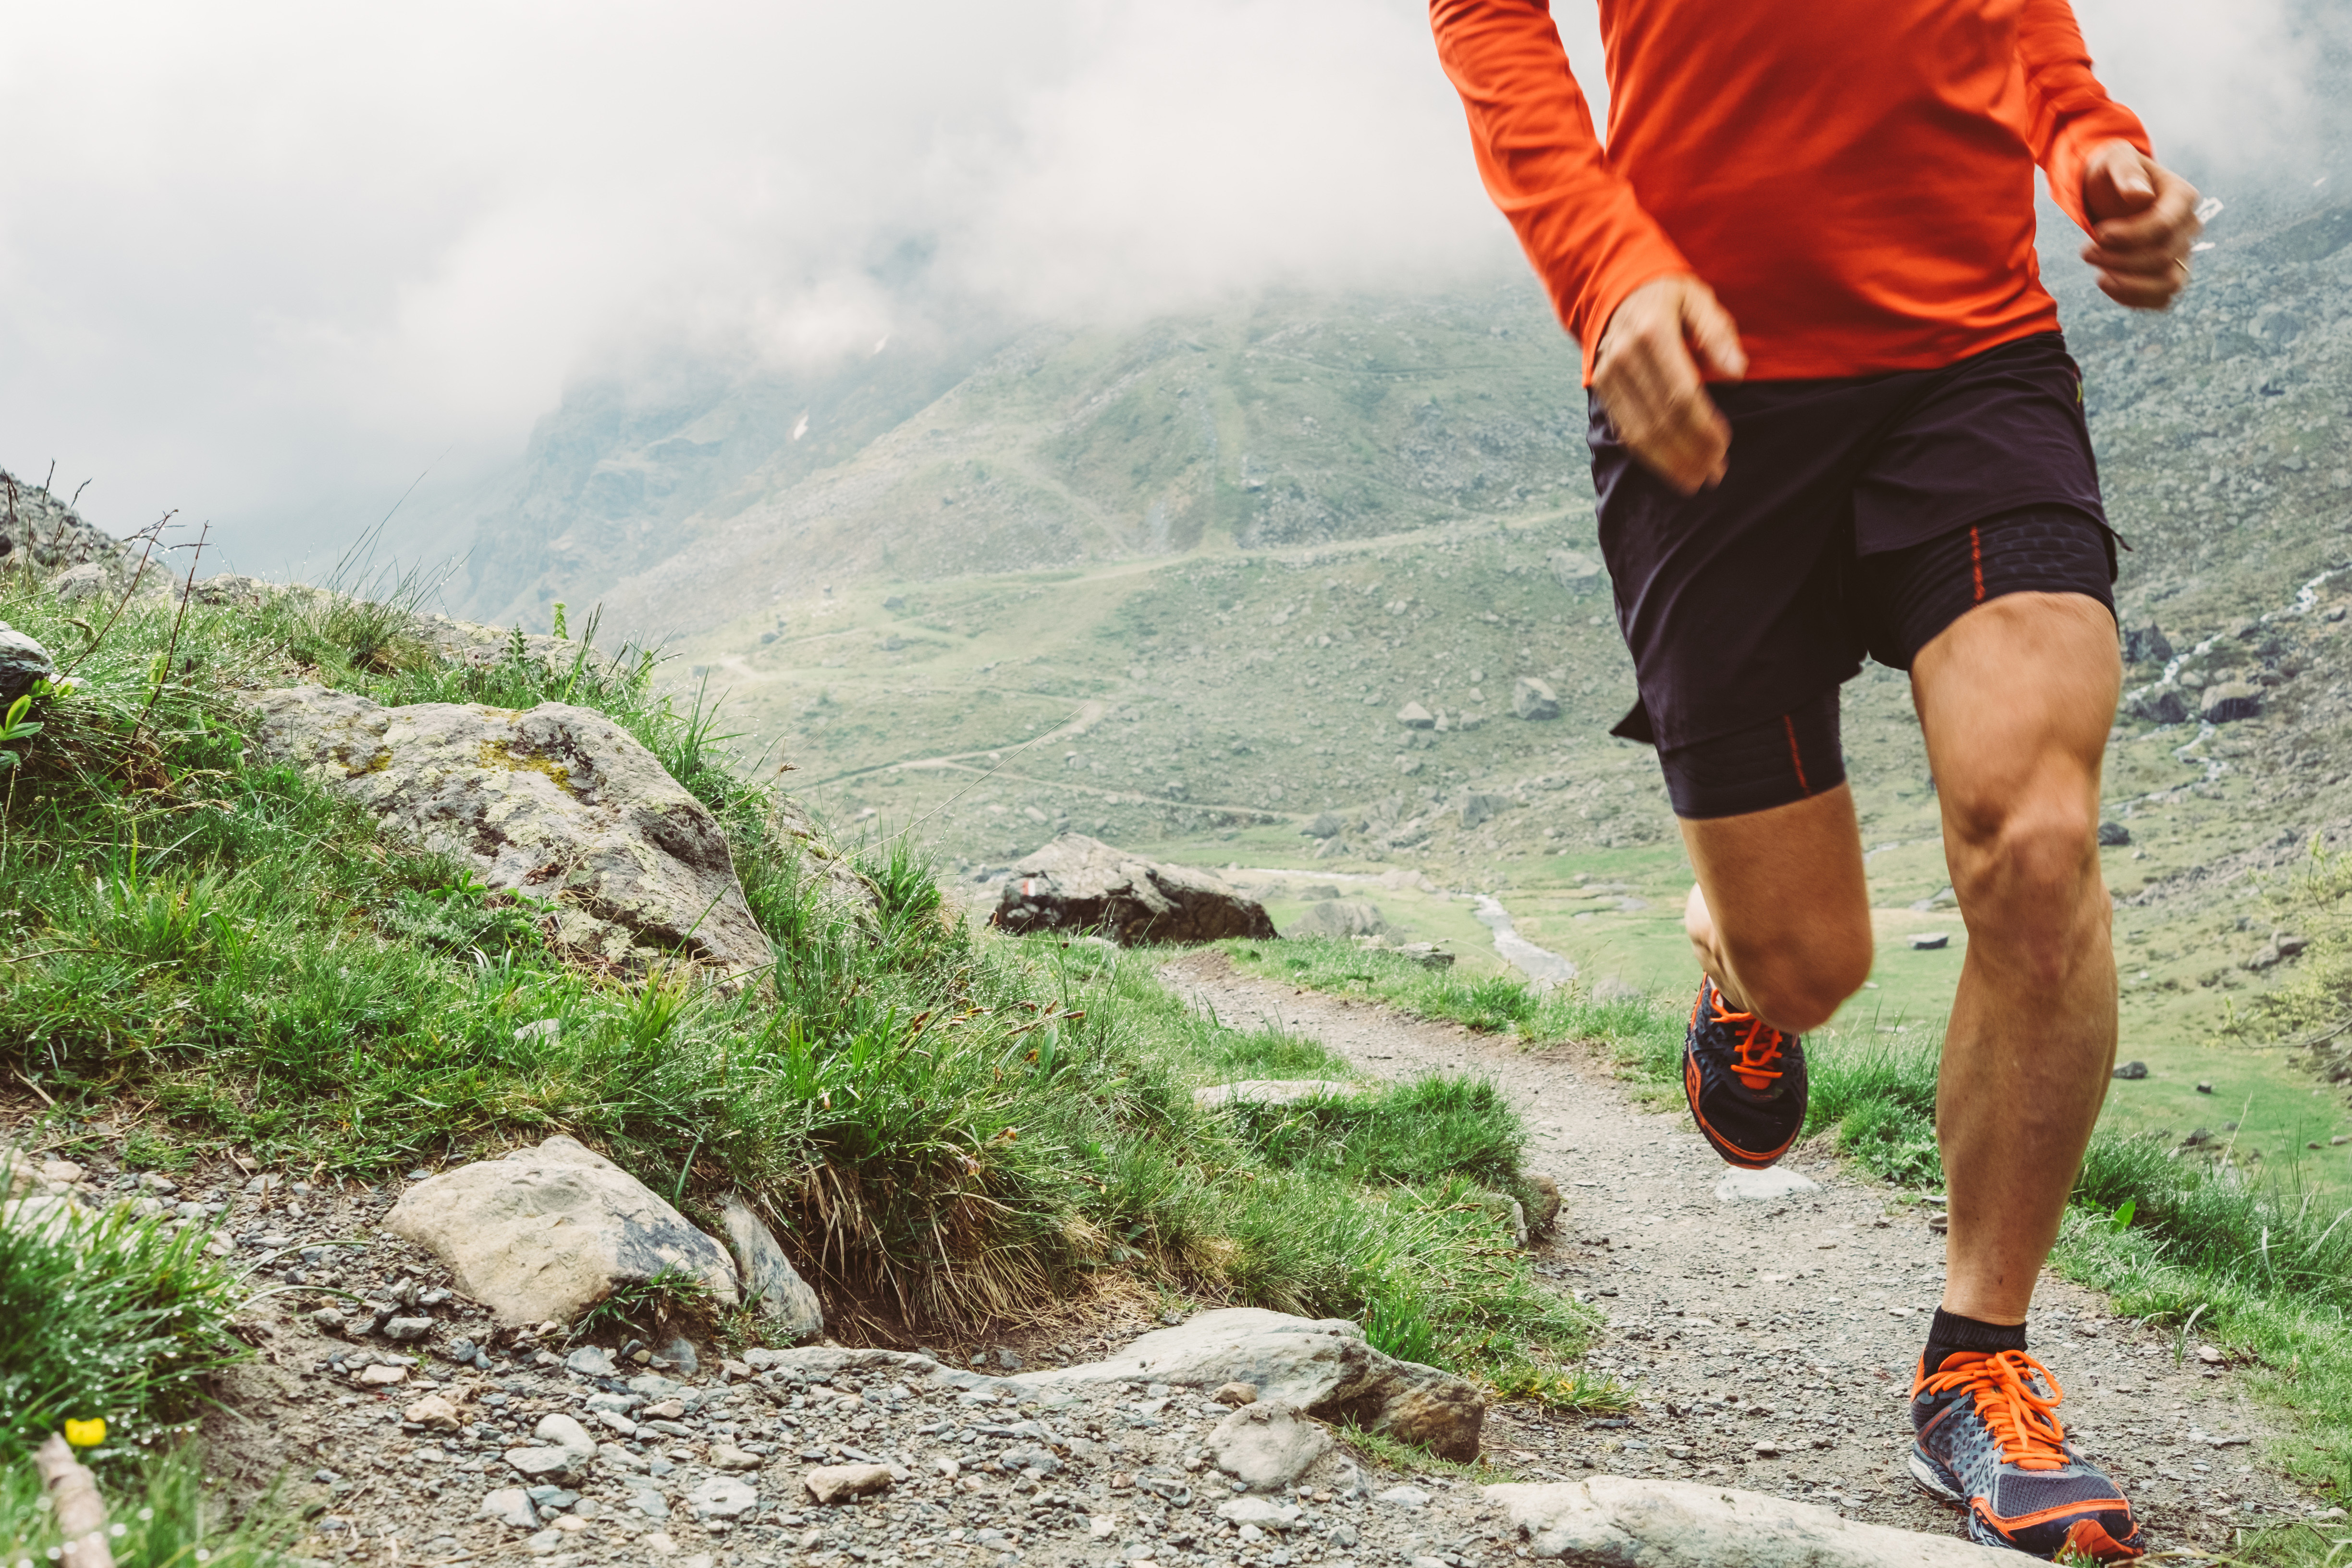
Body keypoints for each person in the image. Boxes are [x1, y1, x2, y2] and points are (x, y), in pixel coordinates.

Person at [1428, 0, 2199, 1559]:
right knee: (1815, 962)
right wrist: (1604, 263)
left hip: (1971, 361)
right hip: (1703, 378)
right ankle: (1738, 968)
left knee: (2039, 838)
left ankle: (1977, 1364)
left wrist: (2092, 142)